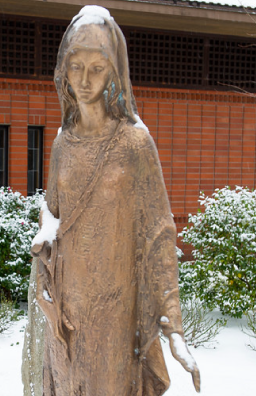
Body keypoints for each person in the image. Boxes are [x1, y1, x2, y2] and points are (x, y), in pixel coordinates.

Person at [29, 6, 200, 396]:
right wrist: (46, 286)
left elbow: (159, 233)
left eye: (97, 67)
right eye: (76, 66)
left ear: (113, 73)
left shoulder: (134, 143)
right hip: (67, 307)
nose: (85, 79)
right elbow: (51, 218)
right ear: (63, 70)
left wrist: (172, 324)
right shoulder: (61, 144)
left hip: (114, 307)